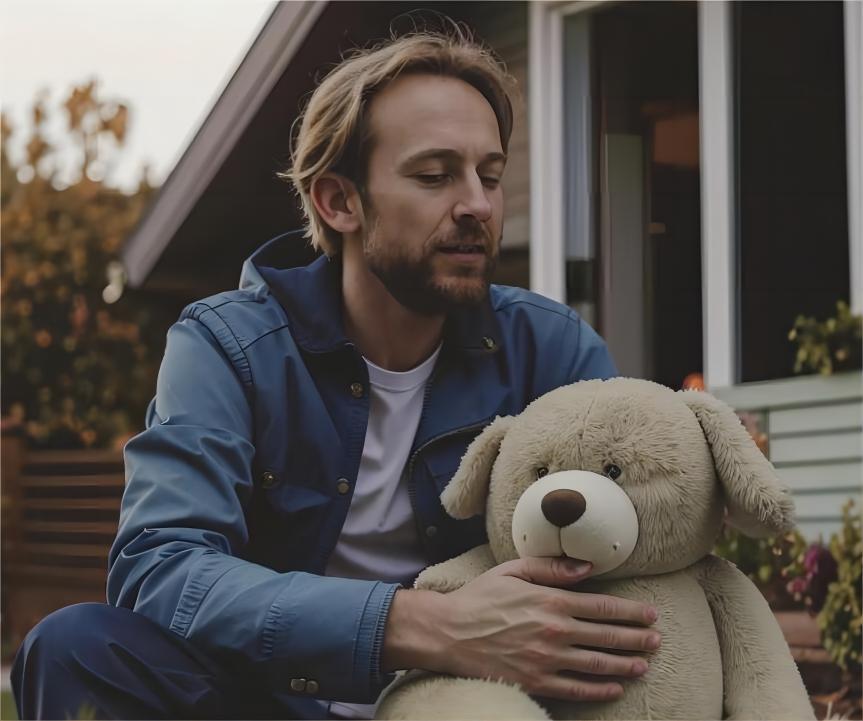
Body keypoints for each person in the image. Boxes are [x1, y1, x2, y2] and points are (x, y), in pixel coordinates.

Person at [12, 27, 661, 720]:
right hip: (272, 703)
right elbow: (161, 569)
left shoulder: (551, 348)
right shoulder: (229, 346)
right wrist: (420, 625)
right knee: (74, 645)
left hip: (470, 708)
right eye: (435, 175)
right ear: (337, 202)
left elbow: (639, 551)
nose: (477, 204)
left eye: (490, 174)